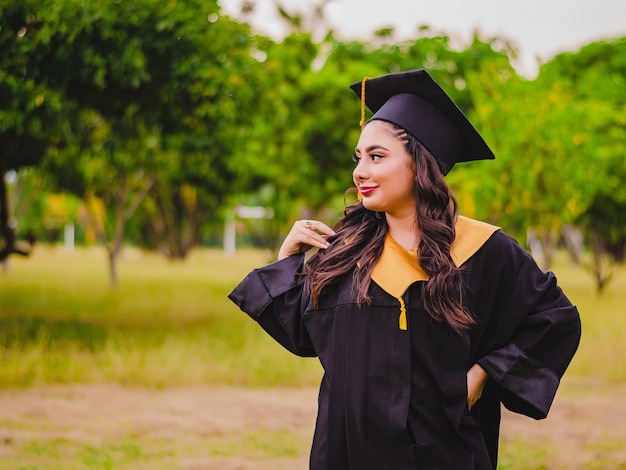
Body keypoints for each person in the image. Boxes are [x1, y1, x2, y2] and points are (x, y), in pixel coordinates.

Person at [228, 69, 581, 469]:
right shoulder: (346, 251)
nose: (360, 171)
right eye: (358, 158)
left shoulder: (484, 251)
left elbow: (555, 320)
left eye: (377, 157)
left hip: (444, 454)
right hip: (347, 453)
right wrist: (286, 263)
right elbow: (306, 336)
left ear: (420, 164)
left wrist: (482, 375)